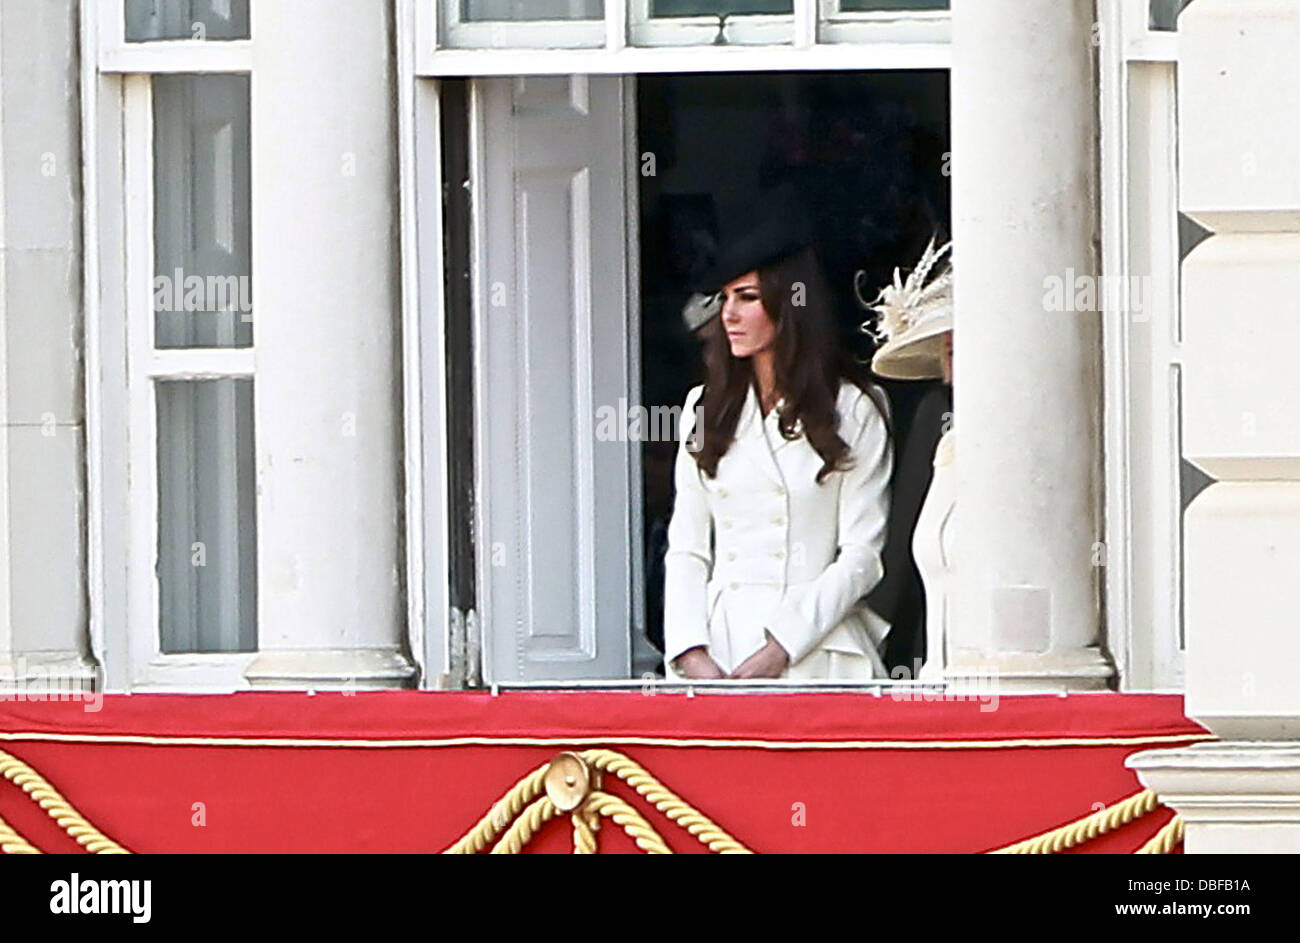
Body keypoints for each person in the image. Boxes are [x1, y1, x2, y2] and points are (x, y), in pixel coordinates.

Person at [663, 188, 894, 680]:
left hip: (818, 654)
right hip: (719, 654)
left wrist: (782, 647)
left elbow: (862, 554)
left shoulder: (855, 408)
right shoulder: (702, 408)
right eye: (725, 298)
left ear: (789, 303)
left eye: (747, 298)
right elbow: (686, 545)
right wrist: (690, 651)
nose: (728, 314)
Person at [864, 238, 954, 679]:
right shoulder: (936, 415)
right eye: (946, 341)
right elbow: (904, 534)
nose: (952, 349)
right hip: (933, 667)